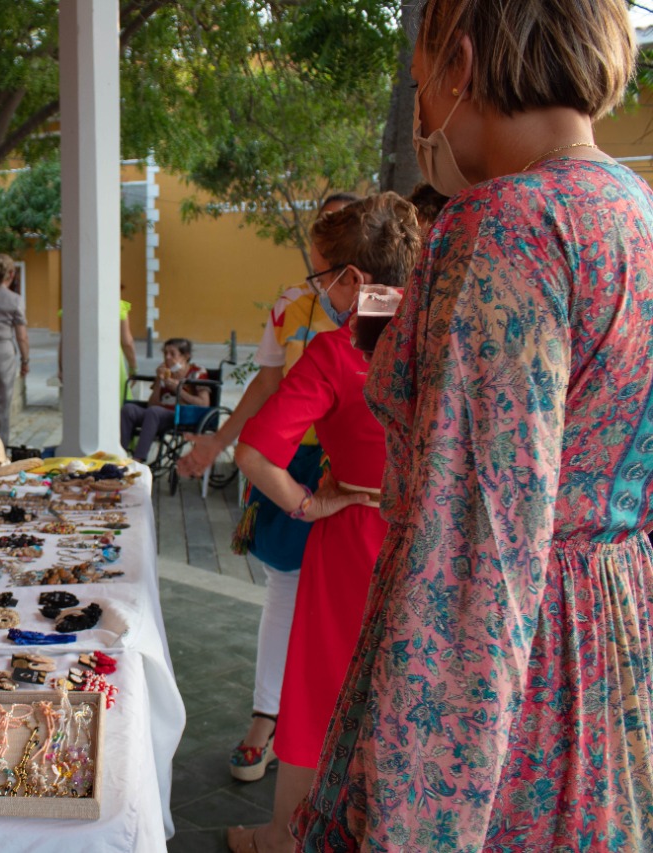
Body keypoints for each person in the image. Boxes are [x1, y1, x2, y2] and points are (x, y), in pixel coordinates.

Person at [296, 3, 653, 850]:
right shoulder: (635, 208)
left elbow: (475, 546)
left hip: (513, 673)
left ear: (459, 63)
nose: (422, 115)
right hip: (611, 638)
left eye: (420, 86)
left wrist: (413, 817)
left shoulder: (509, 229)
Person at [225, 193, 421, 853]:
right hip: (430, 542)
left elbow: (253, 452)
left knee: (319, 689)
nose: (320, 290)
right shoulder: (445, 338)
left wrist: (308, 504)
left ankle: (285, 834)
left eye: (323, 275)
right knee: (410, 693)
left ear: (357, 280)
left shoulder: (337, 353)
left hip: (353, 539)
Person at [176, 192, 358, 785]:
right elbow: (267, 384)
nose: (317, 260)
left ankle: (337, 731)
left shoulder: (396, 313)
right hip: (295, 466)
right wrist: (217, 442)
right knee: (285, 591)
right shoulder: (294, 305)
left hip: (359, 477)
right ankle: (267, 719)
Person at [119, 338, 210, 464]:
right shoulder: (166, 372)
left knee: (154, 412)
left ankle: (138, 460)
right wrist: (158, 381)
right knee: (129, 409)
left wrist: (178, 389)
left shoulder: (197, 372)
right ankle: (119, 454)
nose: (167, 357)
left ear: (185, 356)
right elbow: (152, 404)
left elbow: (204, 403)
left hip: (182, 415)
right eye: (165, 353)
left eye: (172, 354)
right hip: (158, 413)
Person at [0, 254, 30, 445]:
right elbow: (22, 336)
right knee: (1, 404)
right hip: (3, 351)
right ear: (11, 274)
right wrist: (25, 361)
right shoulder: (15, 300)